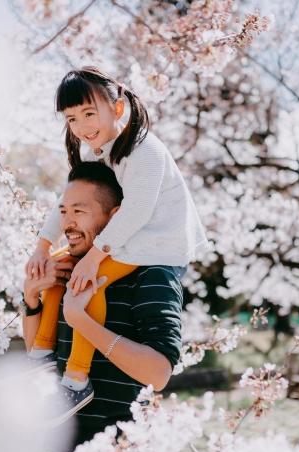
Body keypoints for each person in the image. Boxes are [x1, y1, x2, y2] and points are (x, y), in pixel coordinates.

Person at [22, 67, 207, 417]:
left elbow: (136, 211)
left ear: (117, 109)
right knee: (60, 265)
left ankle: (75, 380)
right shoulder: (96, 153)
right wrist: (43, 247)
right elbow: (63, 201)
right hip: (128, 241)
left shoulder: (144, 151)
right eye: (72, 118)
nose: (81, 126)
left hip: (158, 246)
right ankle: (42, 352)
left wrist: (94, 256)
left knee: (87, 279)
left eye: (89, 113)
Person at [20, 162, 186, 452]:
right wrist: (31, 298)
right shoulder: (68, 267)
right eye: (63, 211)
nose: (67, 222)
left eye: (79, 211)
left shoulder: (151, 275)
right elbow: (39, 355)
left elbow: (158, 373)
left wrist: (81, 318)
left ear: (116, 217)